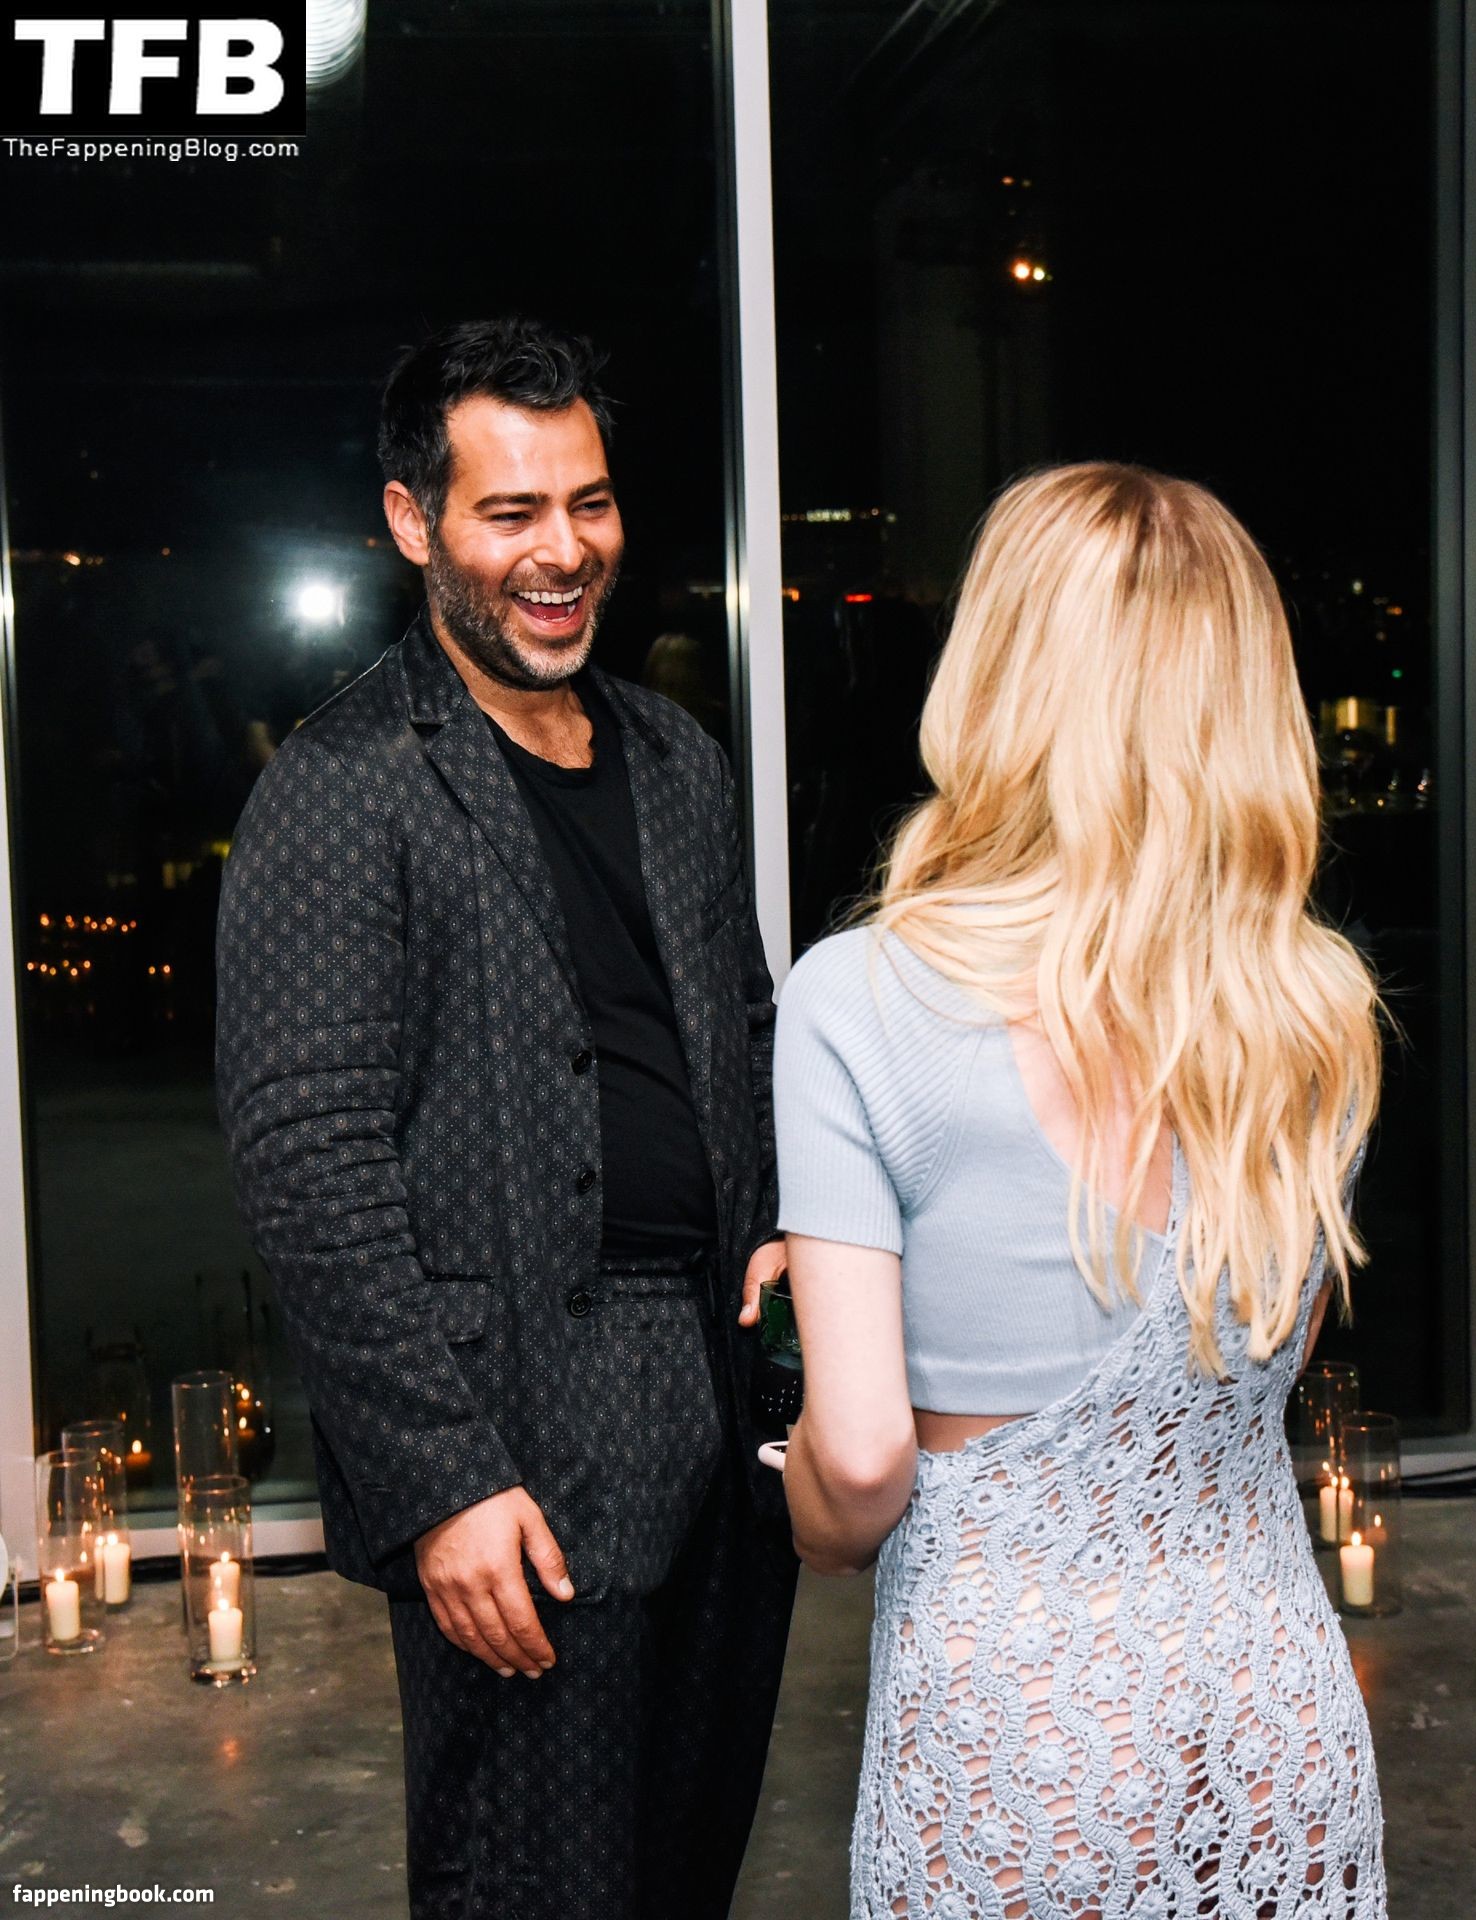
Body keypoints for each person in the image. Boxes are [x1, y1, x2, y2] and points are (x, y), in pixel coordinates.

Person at [214, 316, 799, 1919]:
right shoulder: (342, 786)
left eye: (589, 503)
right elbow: (308, 1161)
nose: (563, 552)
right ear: (414, 523)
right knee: (532, 1886)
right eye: (512, 512)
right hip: (517, 1449)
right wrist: (440, 1479)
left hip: (720, 1412)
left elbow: (745, 1034)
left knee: (685, 1871)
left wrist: (785, 1232)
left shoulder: (677, 757)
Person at [764, 462, 1388, 1918]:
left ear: (999, 677)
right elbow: (1258, 1355)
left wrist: (797, 1483)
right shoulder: (1317, 1010)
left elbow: (861, 1466)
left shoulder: (861, 997)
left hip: (1022, 1740)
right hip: (1276, 1715)